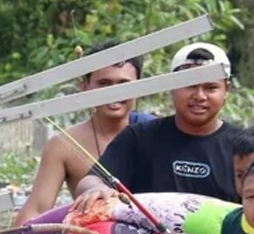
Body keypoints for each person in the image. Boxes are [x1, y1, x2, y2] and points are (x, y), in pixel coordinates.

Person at [71, 42, 239, 211]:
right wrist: (96, 189)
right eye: (190, 85)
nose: (200, 96)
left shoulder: (243, 147)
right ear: (172, 86)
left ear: (226, 90)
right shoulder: (138, 137)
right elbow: (91, 181)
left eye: (211, 88)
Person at [12, 41, 149, 226]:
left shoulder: (156, 132)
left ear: (142, 86)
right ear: (85, 87)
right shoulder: (63, 145)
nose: (115, 92)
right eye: (104, 84)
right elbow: (34, 214)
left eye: (123, 84)